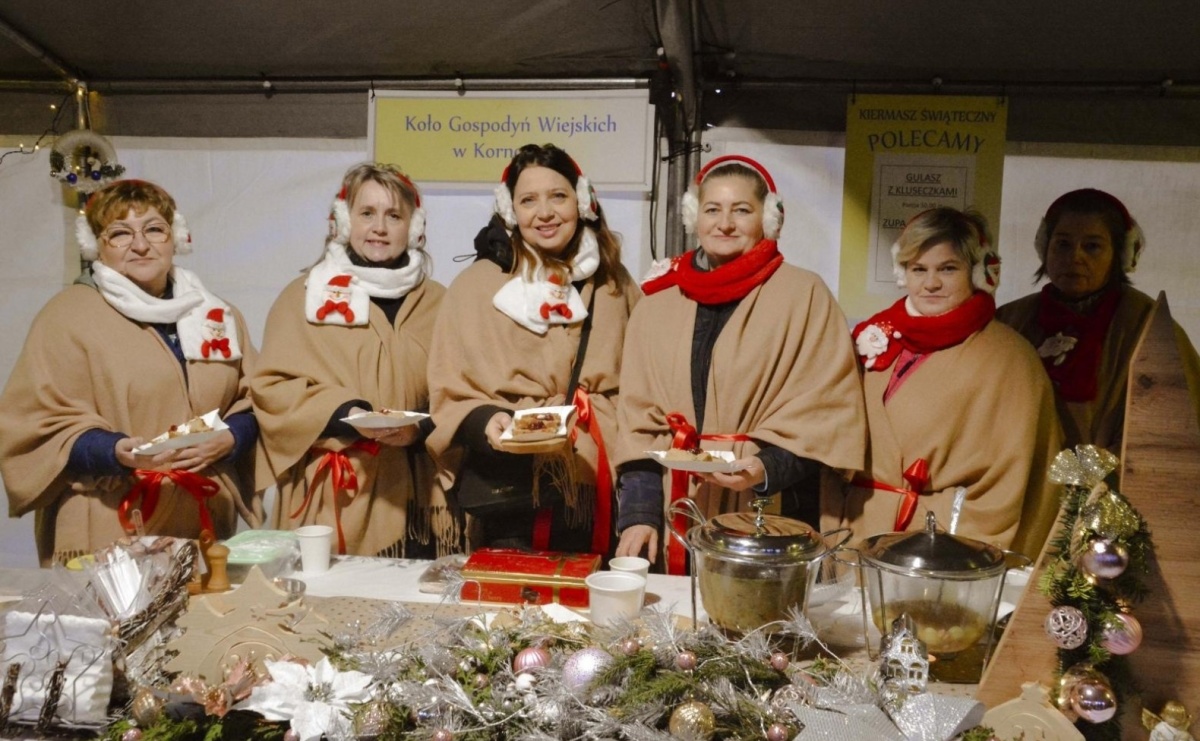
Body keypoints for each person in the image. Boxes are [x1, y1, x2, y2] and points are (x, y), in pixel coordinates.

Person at [614, 155, 866, 574]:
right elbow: (637, 424)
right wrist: (638, 515)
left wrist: (765, 468)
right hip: (676, 511)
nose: (725, 223)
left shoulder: (804, 296)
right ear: (696, 218)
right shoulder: (656, 304)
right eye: (713, 209)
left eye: (742, 210)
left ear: (767, 220)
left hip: (772, 508)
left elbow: (828, 416)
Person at [0, 179, 260, 566]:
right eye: (120, 233)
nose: (141, 245)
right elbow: (32, 424)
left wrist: (231, 439)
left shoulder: (215, 314)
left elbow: (257, 401)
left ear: (177, 238)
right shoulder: (67, 318)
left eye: (154, 229)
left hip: (200, 520)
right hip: (110, 520)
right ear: (96, 246)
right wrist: (112, 451)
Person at [427, 143, 640, 554]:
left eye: (558, 196)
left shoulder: (616, 284)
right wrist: (484, 420)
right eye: (528, 200)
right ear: (511, 211)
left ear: (580, 202)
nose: (544, 213)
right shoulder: (475, 288)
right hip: (512, 489)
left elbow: (645, 381)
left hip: (598, 480)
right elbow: (448, 389)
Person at [826, 207, 1062, 558]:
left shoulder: (1011, 359)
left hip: (942, 545)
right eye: (918, 269)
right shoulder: (872, 338)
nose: (931, 283)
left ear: (977, 272)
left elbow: (1014, 480)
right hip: (857, 533)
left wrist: (961, 551)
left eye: (947, 269)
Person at [252, 163, 456, 558]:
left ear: (413, 228)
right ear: (346, 223)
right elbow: (271, 389)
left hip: (421, 495)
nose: (379, 227)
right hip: (335, 494)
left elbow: (465, 388)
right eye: (367, 214)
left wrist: (421, 426)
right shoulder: (304, 297)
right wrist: (346, 412)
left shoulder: (440, 302)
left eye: (393, 215)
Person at [996, 189, 1200, 451]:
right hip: (1021, 477)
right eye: (1063, 244)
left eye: (1092, 246)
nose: (1075, 257)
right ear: (1044, 247)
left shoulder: (1149, 326)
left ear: (1119, 254)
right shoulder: (1010, 319)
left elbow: (1178, 424)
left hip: (1112, 485)